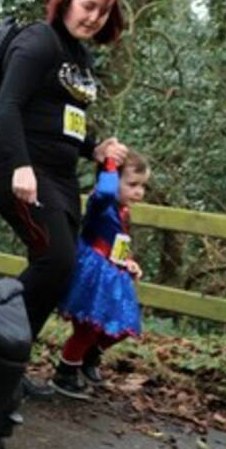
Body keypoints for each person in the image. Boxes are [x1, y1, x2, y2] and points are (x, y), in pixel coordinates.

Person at [0, 0, 129, 394]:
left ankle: (8, 365)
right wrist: (22, 166)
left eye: (102, 11)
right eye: (88, 6)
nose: (94, 17)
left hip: (60, 175)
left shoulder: (80, 55)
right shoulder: (38, 41)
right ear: (66, 0)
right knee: (54, 259)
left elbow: (67, 119)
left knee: (60, 270)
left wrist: (95, 148)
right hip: (17, 164)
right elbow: (8, 105)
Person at [50, 152, 149, 399]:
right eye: (132, 184)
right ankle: (66, 372)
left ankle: (89, 355)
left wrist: (128, 262)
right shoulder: (101, 201)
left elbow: (118, 241)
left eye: (143, 186)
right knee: (86, 326)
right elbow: (105, 193)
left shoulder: (123, 210)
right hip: (91, 273)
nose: (139, 192)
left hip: (112, 272)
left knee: (126, 323)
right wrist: (110, 165)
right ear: (114, 180)